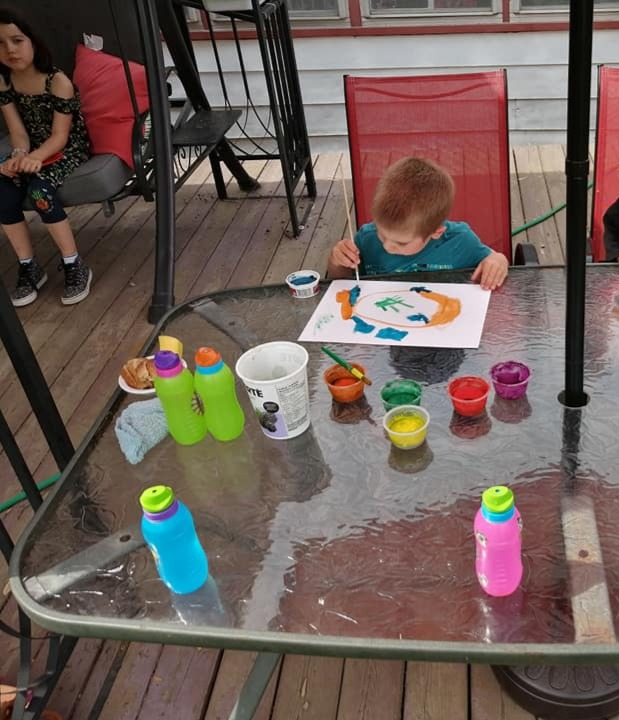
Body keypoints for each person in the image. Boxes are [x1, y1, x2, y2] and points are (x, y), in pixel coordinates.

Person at [0, 8, 92, 307]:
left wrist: (36, 157)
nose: (10, 50)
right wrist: (18, 156)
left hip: (66, 149)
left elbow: (60, 136)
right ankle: (29, 266)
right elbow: (17, 131)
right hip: (32, 149)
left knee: (39, 191)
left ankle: (74, 262)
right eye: (0, 44)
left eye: (17, 40)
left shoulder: (57, 81)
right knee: (2, 189)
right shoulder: (4, 81)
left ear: (33, 42)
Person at [328, 157, 508, 290]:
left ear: (436, 232)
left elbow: (494, 259)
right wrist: (338, 261)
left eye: (401, 243)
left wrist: (498, 261)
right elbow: (341, 280)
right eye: (381, 234)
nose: (387, 246)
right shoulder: (366, 238)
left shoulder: (460, 241)